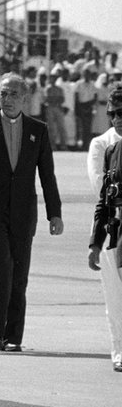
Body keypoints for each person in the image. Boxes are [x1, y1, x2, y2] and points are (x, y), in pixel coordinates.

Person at [0, 74, 63, 351]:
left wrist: (55, 213)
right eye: (4, 93)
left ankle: (14, 335)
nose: (9, 99)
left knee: (19, 273)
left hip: (24, 213)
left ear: (25, 98)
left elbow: (47, 175)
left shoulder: (37, 129)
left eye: (14, 94)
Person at [87, 86, 122, 372]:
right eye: (111, 113)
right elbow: (102, 192)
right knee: (114, 296)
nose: (116, 118)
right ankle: (119, 351)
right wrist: (95, 242)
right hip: (115, 227)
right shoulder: (103, 146)